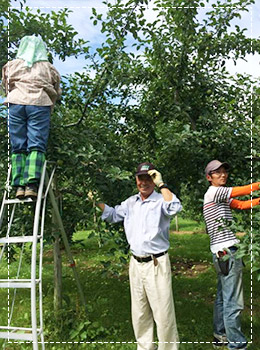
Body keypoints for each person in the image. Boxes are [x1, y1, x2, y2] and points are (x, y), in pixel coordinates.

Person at [97, 162, 182, 350]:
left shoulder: (161, 199)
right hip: (136, 263)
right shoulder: (130, 203)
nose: (144, 182)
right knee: (140, 313)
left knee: (163, 312)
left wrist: (162, 184)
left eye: (148, 178)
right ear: (136, 180)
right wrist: (96, 201)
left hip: (156, 263)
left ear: (153, 179)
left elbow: (175, 208)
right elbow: (112, 215)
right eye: (140, 178)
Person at [203, 160, 260, 350]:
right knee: (233, 301)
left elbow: (241, 205)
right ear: (209, 177)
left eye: (224, 172)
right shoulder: (214, 192)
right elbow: (242, 191)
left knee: (222, 297)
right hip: (228, 251)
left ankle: (220, 335)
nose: (223, 175)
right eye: (217, 173)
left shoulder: (218, 196)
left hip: (220, 252)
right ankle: (237, 345)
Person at [2, 35, 61, 199]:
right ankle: (31, 184)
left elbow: (6, 85)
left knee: (18, 145)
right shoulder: (48, 67)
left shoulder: (12, 65)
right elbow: (56, 89)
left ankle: (19, 185)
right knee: (36, 144)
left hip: (16, 103)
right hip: (39, 103)